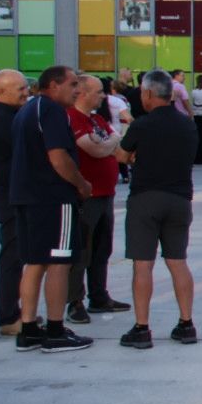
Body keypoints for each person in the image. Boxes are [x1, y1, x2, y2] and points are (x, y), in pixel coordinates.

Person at [10, 66, 95, 353]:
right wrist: (81, 184)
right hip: (53, 197)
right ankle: (56, 329)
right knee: (60, 262)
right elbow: (58, 156)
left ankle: (29, 327)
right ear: (53, 85)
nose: (77, 90)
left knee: (35, 262)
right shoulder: (52, 111)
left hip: (27, 196)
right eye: (72, 85)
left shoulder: (28, 110)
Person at [113, 70, 199, 348]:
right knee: (178, 262)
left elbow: (123, 155)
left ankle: (142, 327)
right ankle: (186, 323)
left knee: (143, 264)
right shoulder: (188, 125)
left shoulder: (142, 125)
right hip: (180, 198)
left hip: (146, 197)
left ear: (148, 94)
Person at [64, 75, 129, 326]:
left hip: (106, 193)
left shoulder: (97, 119)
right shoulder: (73, 118)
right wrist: (110, 142)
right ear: (82, 92)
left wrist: (108, 142)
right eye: (99, 92)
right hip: (86, 196)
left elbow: (116, 147)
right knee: (82, 250)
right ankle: (74, 301)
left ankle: (99, 295)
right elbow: (97, 149)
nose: (103, 96)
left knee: (102, 248)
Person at [0, 70, 30, 336]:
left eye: (25, 87)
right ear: (2, 91)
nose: (26, 92)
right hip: (10, 197)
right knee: (12, 256)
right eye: (20, 88)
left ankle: (15, 311)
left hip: (15, 195)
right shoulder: (0, 118)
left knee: (17, 255)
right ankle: (8, 317)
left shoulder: (9, 115)